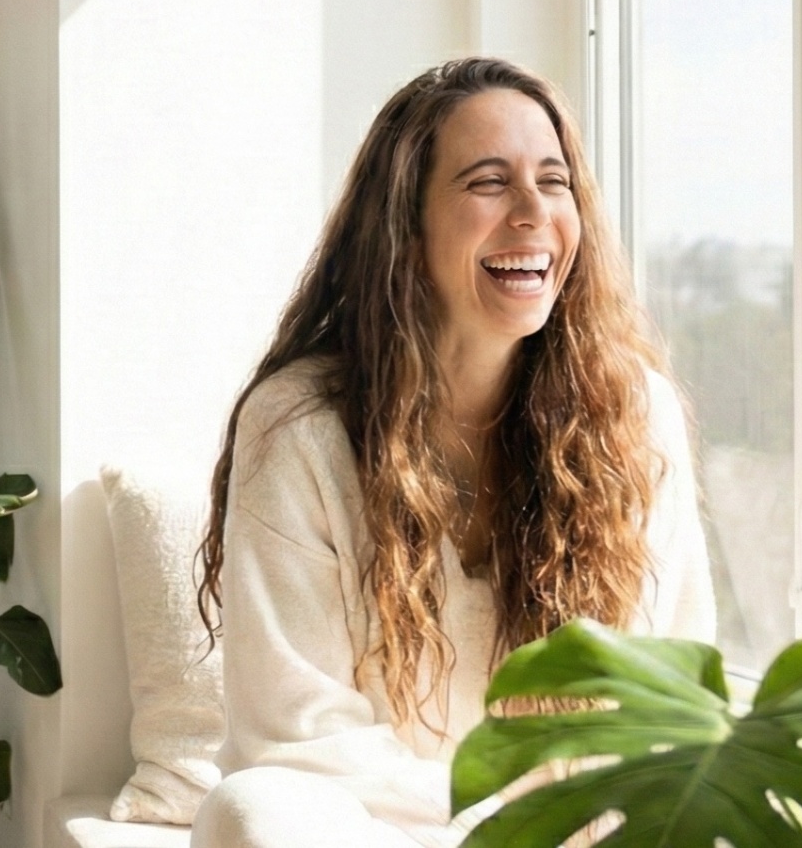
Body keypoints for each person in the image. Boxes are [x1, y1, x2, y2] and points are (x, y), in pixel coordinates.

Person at [188, 57, 717, 848]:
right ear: (405, 223)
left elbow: (670, 692)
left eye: (554, 180)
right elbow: (299, 740)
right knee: (254, 810)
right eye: (488, 182)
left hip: (571, 833)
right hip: (382, 829)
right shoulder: (298, 427)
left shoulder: (632, 415)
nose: (534, 211)